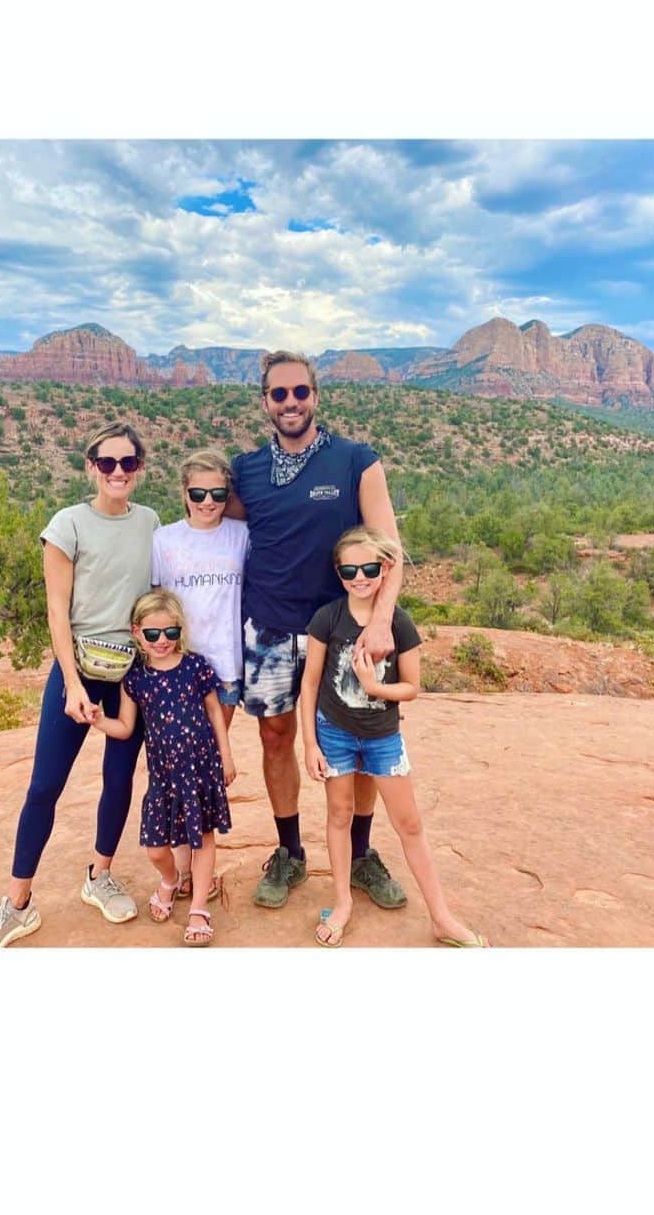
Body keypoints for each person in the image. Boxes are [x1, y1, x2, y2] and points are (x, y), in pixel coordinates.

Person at [0, 422, 160, 947]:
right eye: (106, 462)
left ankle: (99, 875)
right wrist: (72, 683)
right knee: (45, 786)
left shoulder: (150, 522)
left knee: (119, 778)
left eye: (127, 463)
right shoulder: (67, 524)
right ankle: (18, 904)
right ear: (90, 467)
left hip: (130, 673)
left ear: (138, 469)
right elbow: (57, 610)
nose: (117, 472)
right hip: (77, 670)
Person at [227, 349, 408, 910]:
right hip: (270, 629)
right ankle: (290, 853)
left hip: (342, 632)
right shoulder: (246, 471)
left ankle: (359, 856)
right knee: (276, 736)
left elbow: (391, 550)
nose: (290, 403)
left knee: (359, 740)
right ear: (265, 402)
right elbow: (220, 537)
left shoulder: (356, 460)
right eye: (279, 394)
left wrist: (380, 622)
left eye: (299, 392)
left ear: (315, 396)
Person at [302, 526, 489, 948]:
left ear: (385, 569)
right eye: (349, 570)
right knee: (338, 816)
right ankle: (342, 902)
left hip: (383, 737)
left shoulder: (400, 622)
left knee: (410, 823)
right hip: (334, 734)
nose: (360, 577)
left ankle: (441, 916)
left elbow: (411, 687)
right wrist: (310, 743)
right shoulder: (328, 618)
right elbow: (310, 684)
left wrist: (375, 689)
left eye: (369, 568)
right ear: (339, 572)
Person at [91, 590, 236, 946]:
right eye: (153, 634)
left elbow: (216, 711)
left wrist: (226, 755)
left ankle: (199, 907)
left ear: (180, 631)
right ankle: (171, 879)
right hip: (164, 776)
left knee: (202, 838)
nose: (162, 641)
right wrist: (98, 720)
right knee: (157, 848)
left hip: (201, 768)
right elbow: (125, 727)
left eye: (170, 633)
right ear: (137, 632)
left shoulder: (195, 666)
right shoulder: (136, 679)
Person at [151, 448, 248, 901]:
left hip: (225, 669)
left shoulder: (241, 535)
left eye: (217, 493)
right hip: (177, 671)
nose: (208, 502)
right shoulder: (164, 540)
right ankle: (188, 869)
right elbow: (154, 605)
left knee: (202, 769)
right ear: (183, 492)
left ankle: (192, 870)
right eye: (198, 493)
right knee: (178, 768)